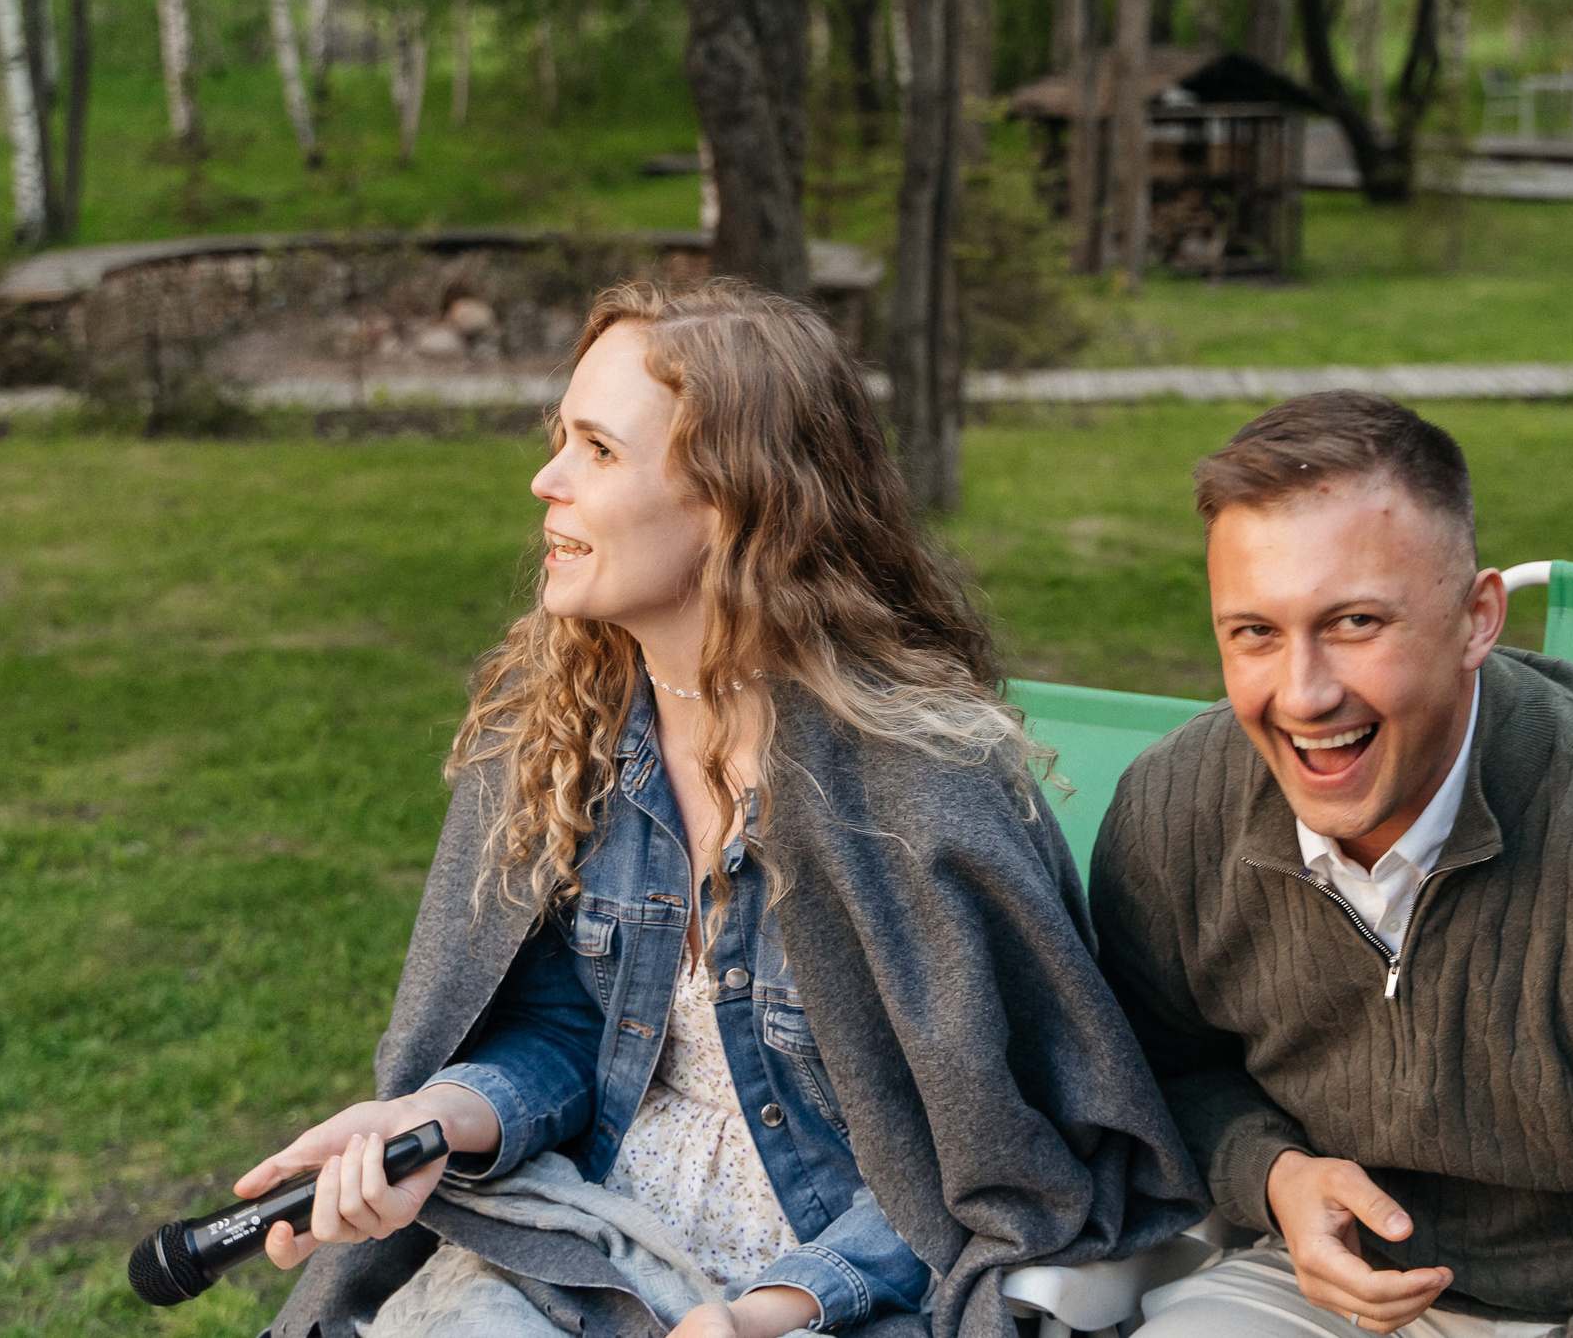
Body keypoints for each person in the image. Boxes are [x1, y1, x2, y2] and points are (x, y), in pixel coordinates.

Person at [249, 280, 1206, 1338]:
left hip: (847, 1291)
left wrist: (773, 1311)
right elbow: (577, 1028)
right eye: (559, 439)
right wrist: (437, 1122)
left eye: (598, 451)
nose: (544, 479)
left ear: (735, 501)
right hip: (588, 1250)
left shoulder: (922, 794)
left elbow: (994, 1166)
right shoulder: (570, 739)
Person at [1090, 392, 1573, 1338]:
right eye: (1255, 632)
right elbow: (1151, 1072)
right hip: (1311, 1286)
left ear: (1478, 618)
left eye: (1357, 621)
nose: (1304, 692)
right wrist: (1272, 1173)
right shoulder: (1171, 814)